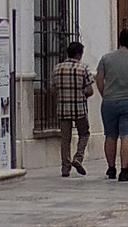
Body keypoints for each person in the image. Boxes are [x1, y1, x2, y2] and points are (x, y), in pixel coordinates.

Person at [95, 28, 128, 181]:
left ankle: (111, 168)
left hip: (109, 102)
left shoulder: (105, 59)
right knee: (127, 136)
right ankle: (124, 170)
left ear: (119, 40)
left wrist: (105, 94)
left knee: (110, 136)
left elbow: (99, 79)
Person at [52, 41, 93, 178]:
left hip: (63, 109)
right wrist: (83, 94)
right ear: (79, 54)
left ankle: (65, 168)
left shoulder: (57, 69)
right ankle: (78, 158)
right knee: (84, 133)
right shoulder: (83, 69)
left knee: (65, 139)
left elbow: (53, 88)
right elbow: (89, 90)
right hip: (79, 108)